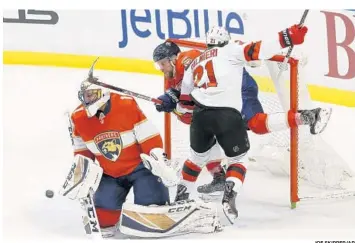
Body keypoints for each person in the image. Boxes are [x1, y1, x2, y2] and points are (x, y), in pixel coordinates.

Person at [153, 24, 331, 223]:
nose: (160, 68)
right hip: (219, 105)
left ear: (173, 58)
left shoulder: (189, 60)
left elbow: (188, 101)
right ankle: (221, 179)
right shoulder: (179, 74)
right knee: (219, 144)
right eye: (157, 65)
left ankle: (306, 116)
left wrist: (175, 100)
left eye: (162, 63)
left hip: (238, 87)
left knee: (253, 125)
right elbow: (187, 112)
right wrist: (287, 37)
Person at [59, 65, 220, 238]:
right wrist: (81, 176)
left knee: (151, 211)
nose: (87, 100)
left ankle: (180, 208)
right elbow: (83, 156)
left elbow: (149, 138)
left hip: (141, 169)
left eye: (91, 95)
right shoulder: (78, 118)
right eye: (84, 96)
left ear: (104, 93)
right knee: (103, 220)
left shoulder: (126, 105)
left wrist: (159, 160)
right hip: (110, 173)